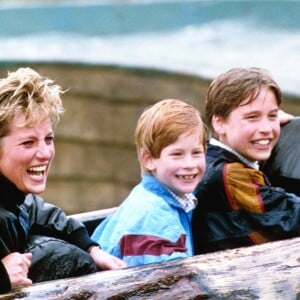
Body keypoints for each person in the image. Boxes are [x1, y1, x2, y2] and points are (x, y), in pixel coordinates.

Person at [0, 67, 126, 293]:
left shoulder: (12, 197)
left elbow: (36, 212)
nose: (45, 153)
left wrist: (90, 248)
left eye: (48, 139)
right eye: (28, 143)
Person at [191, 67, 300, 255]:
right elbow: (291, 217)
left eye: (272, 116)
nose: (266, 128)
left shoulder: (207, 155)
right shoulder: (229, 176)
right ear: (219, 123)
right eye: (252, 117)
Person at [92, 99, 207, 266]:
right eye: (177, 154)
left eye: (196, 152)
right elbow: (172, 286)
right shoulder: (159, 223)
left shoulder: (148, 195)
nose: (189, 164)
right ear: (149, 160)